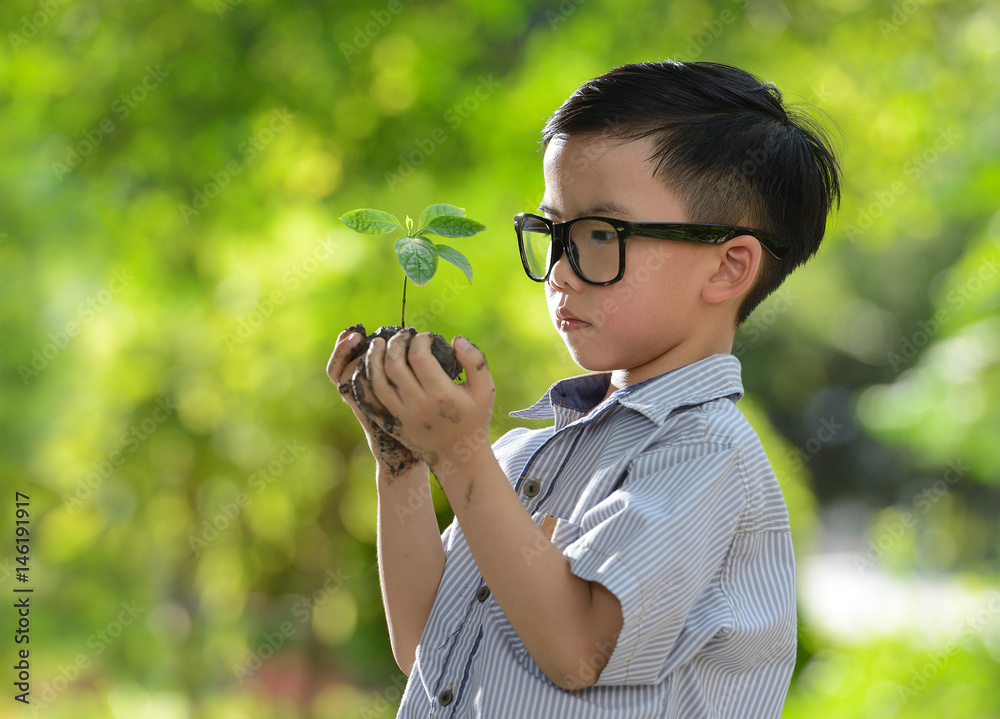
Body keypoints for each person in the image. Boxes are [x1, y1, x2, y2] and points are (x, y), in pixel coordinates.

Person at [326, 60, 841, 718]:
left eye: (600, 235)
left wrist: (459, 455)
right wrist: (399, 461)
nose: (560, 273)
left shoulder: (707, 455)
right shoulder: (522, 456)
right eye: (551, 232)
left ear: (727, 266)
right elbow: (427, 642)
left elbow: (576, 648)